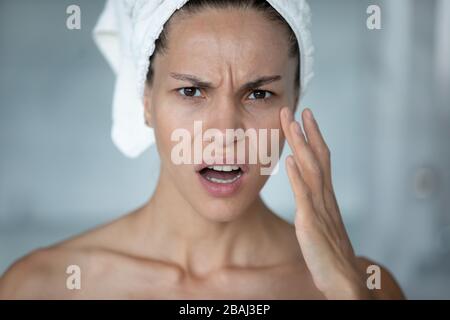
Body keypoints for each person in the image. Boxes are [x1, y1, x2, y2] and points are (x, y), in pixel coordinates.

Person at [0, 0, 405, 299]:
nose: (225, 131)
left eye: (259, 93)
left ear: (295, 101)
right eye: (191, 91)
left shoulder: (366, 288)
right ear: (144, 99)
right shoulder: (41, 287)